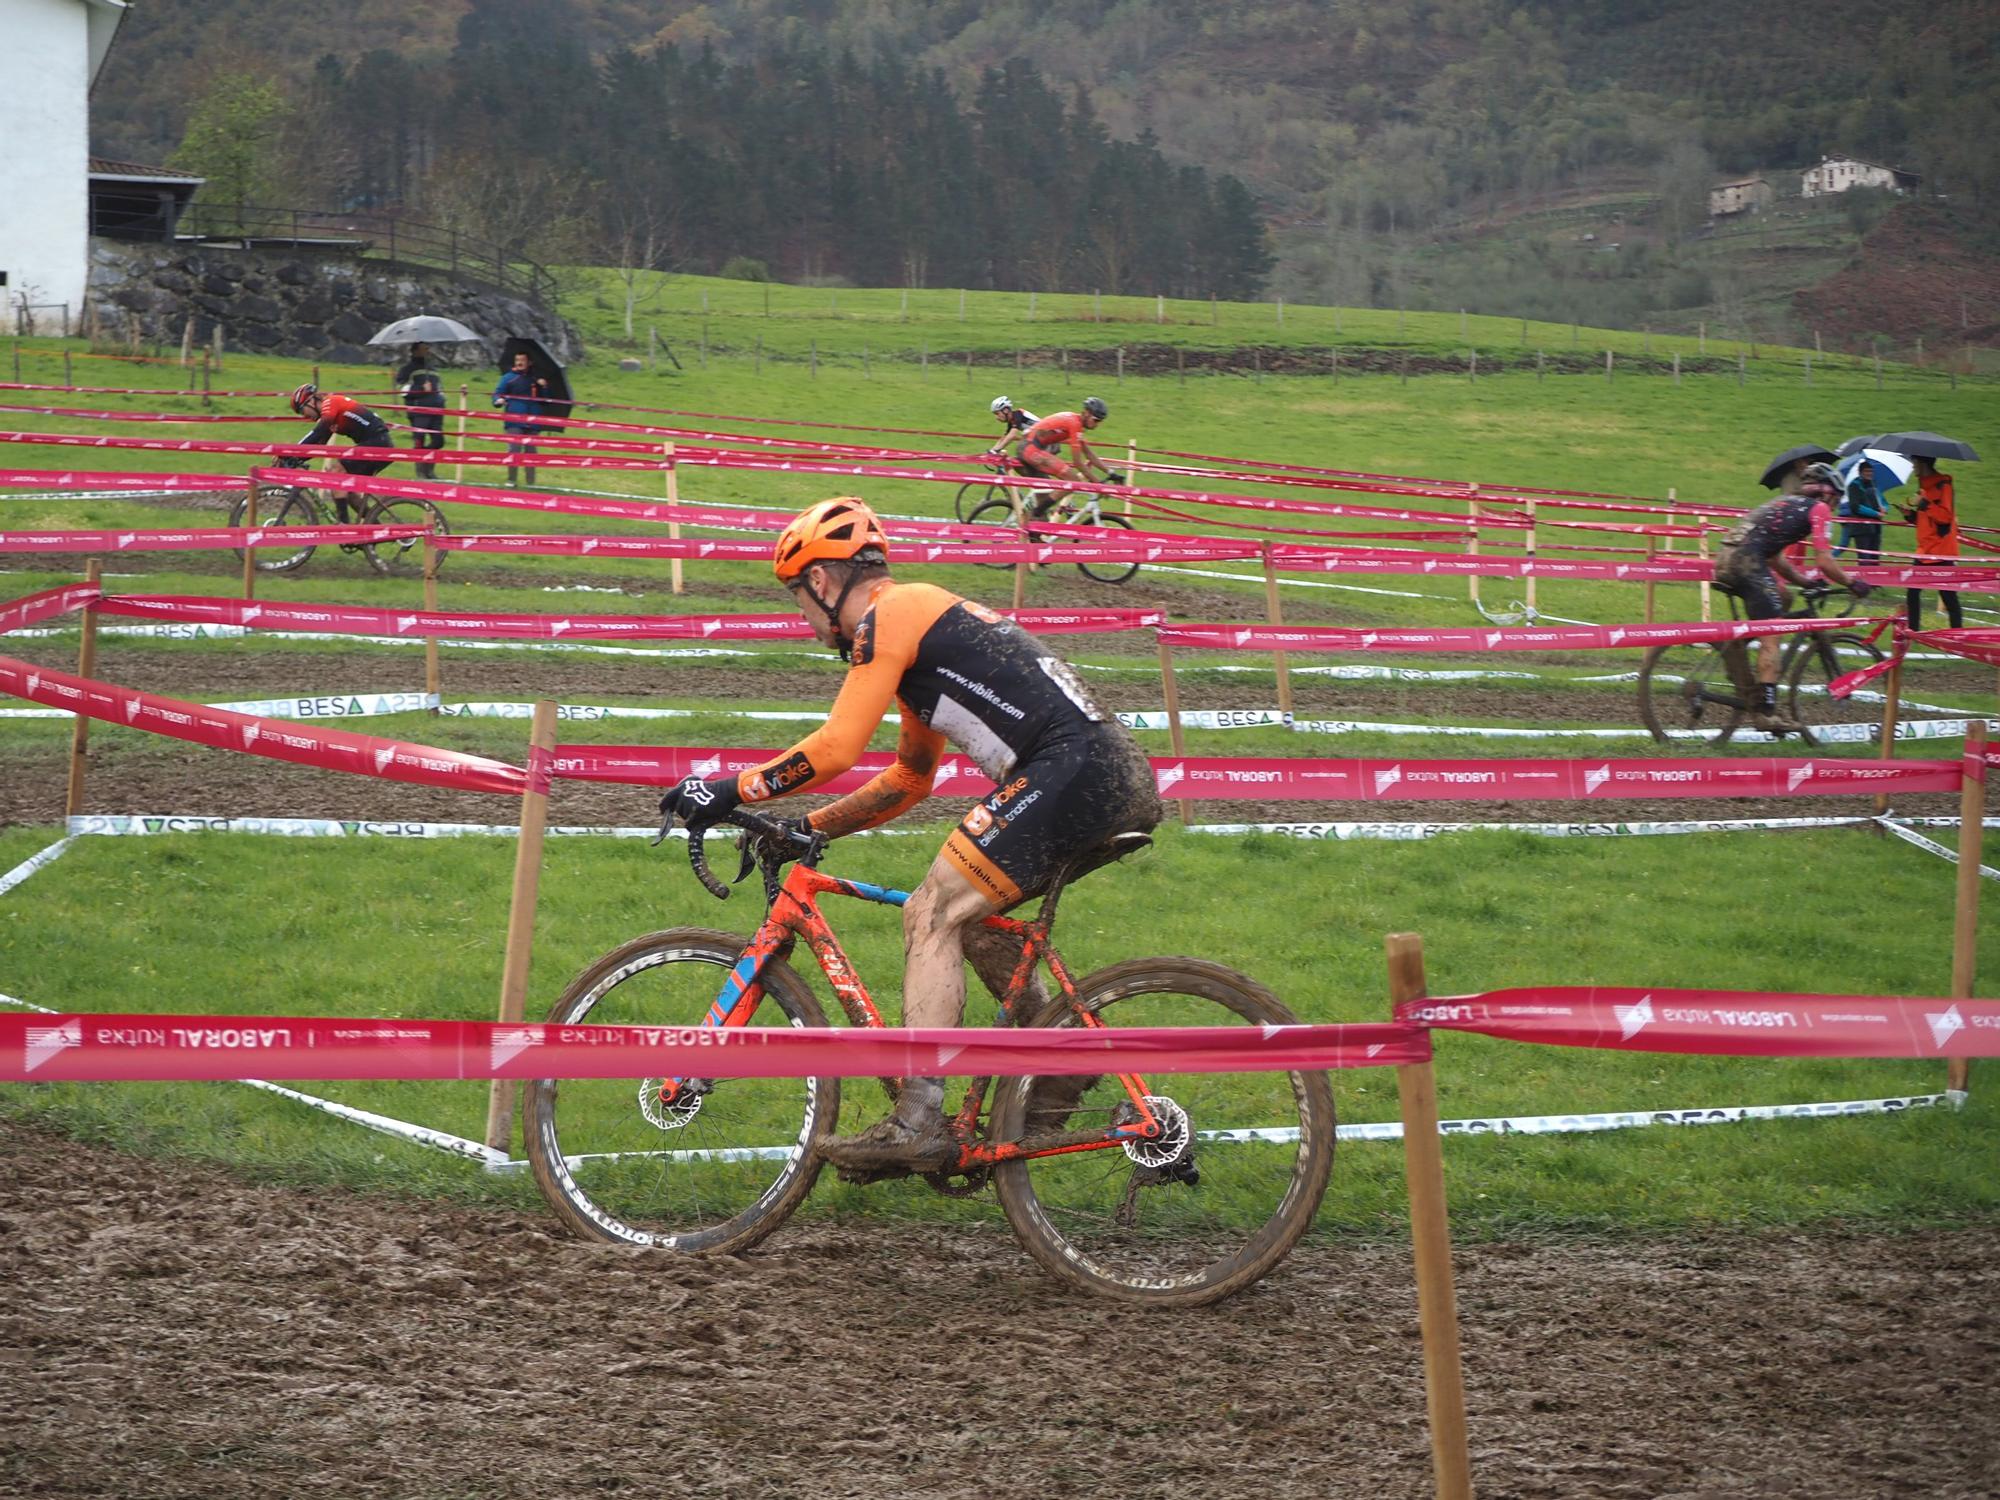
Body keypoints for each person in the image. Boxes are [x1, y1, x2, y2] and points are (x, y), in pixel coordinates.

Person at [655, 496, 1163, 1173]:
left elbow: (836, 747)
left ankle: (918, 1118)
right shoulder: (918, 628)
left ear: (823, 581)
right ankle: (1058, 1061)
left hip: (1071, 766)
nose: (802, 618)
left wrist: (726, 789)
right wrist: (806, 826)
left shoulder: (889, 616)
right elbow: (909, 779)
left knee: (931, 913)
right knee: (975, 922)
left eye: (797, 599)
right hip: (1102, 768)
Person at [1712, 459, 1873, 733]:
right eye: (1836, 498)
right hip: (1746, 562)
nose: (1835, 505)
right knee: (1773, 633)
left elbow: (1774, 557)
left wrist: (1804, 581)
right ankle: (1766, 712)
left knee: (1783, 598)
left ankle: (1736, 647)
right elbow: (1825, 561)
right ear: (1826, 492)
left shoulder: (1784, 503)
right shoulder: (1818, 509)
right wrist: (1851, 582)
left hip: (1729, 560)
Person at [276, 383, 397, 518]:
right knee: (347, 492)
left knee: (336, 473)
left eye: (302, 410)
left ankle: (343, 527)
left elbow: (317, 432)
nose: (305, 416)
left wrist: (289, 452)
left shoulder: (330, 402)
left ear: (311, 401)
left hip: (378, 444)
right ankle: (374, 530)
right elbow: (319, 444)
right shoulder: (330, 416)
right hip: (376, 444)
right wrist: (296, 458)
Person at [1016, 397, 1125, 520]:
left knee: (1045, 497)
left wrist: (1111, 474)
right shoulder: (1074, 424)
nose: (1097, 425)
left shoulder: (1075, 421)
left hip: (1031, 448)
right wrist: (1098, 484)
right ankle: (1035, 513)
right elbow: (1078, 462)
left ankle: (1035, 529)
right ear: (1087, 413)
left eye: (1100, 421)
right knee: (1073, 479)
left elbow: (1089, 454)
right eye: (1096, 420)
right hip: (1030, 448)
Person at [1897, 456, 1963, 630]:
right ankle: (1913, 632)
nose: (1913, 467)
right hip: (1925, 550)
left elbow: (1945, 518)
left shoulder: (1944, 486)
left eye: (1915, 463)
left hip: (1942, 551)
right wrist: (1910, 515)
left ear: (1923, 464)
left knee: (1948, 596)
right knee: (1912, 591)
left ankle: (1957, 635)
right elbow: (1926, 521)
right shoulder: (1924, 487)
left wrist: (1924, 503)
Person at [492, 351, 553, 487]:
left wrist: (544, 387)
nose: (519, 363)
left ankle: (530, 483)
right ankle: (511, 480)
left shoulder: (536, 379)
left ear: (529, 363)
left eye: (522, 360)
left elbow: (545, 401)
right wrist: (498, 400)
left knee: (531, 452)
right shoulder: (508, 377)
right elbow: (497, 393)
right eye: (517, 360)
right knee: (514, 450)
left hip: (533, 421)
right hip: (514, 420)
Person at [394, 341, 447, 481]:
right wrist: (420, 388)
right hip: (418, 410)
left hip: (436, 409)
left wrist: (441, 398)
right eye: (424, 348)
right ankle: (421, 473)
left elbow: (440, 388)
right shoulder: (407, 369)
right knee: (419, 440)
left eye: (428, 348)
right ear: (415, 351)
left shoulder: (433, 369)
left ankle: (428, 467)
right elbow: (402, 390)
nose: (427, 351)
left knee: (439, 441)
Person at [1836, 458, 1886, 564]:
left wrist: (1884, 508)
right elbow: (1856, 507)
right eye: (1867, 471)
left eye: (1871, 471)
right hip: (1861, 528)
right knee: (1864, 559)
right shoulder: (1854, 486)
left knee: (1875, 560)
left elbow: (1883, 501)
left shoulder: (1874, 485)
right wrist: (1875, 513)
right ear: (1860, 472)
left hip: (1875, 528)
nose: (1869, 474)